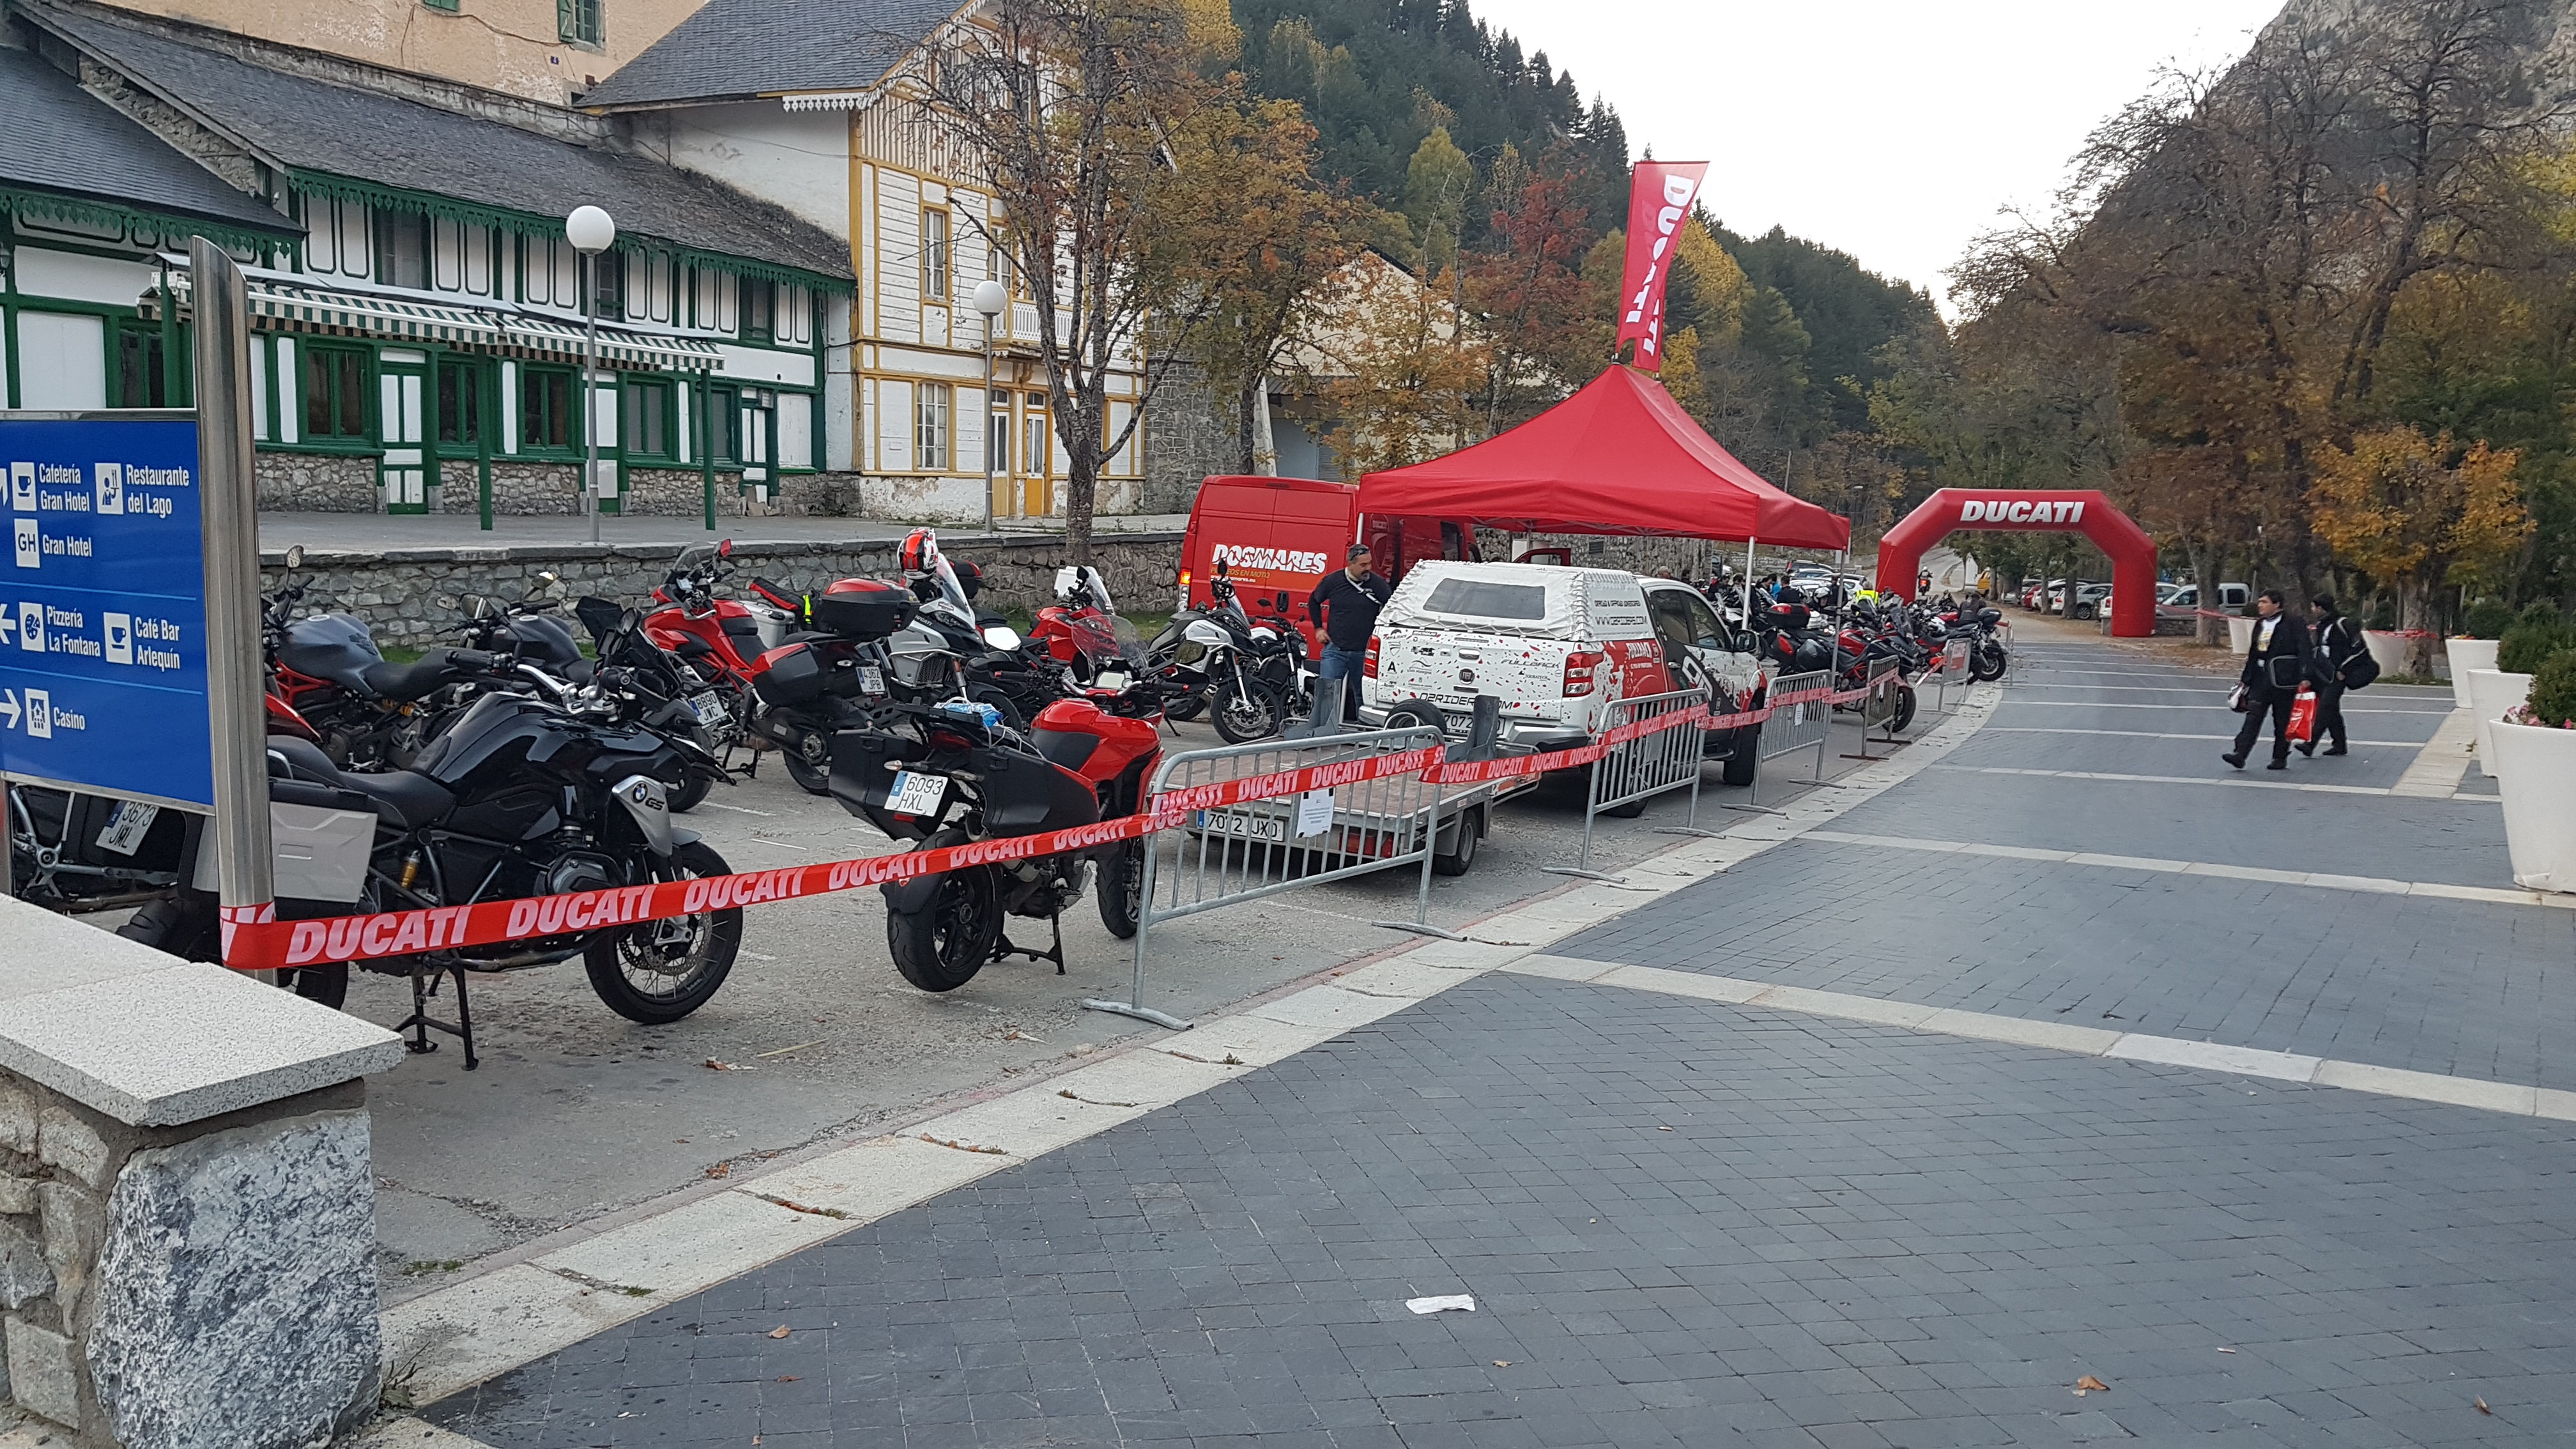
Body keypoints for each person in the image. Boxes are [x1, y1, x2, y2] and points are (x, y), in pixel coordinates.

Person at [2225, 588, 2311, 771]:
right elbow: (2253, 653)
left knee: (2282, 720)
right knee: (2253, 716)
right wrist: (2245, 680)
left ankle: (2280, 757)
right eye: (2260, 602)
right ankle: (2240, 754)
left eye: (2264, 602)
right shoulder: (2261, 624)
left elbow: (2305, 649)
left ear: (2276, 604)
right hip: (2260, 678)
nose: (2260, 605)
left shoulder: (2293, 623)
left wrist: (2305, 676)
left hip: (2284, 679)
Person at [1307, 542, 1390, 720]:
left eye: (1369, 563)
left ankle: (1364, 729)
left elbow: (1391, 607)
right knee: (1327, 692)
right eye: (1363, 565)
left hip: (1364, 652)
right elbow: (1313, 600)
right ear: (1350, 564)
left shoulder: (1377, 584)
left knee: (1364, 695)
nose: (1368, 568)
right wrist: (1318, 628)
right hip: (1335, 649)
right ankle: (1324, 728)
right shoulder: (1333, 581)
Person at [2301, 594, 2354, 757]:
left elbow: (2351, 649)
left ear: (2320, 608)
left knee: (2325, 708)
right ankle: (2340, 744)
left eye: (2314, 607)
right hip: (2322, 673)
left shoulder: (2340, 625)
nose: (2312, 610)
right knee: (2331, 710)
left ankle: (2310, 744)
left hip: (2337, 674)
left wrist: (2344, 670)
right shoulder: (2321, 625)